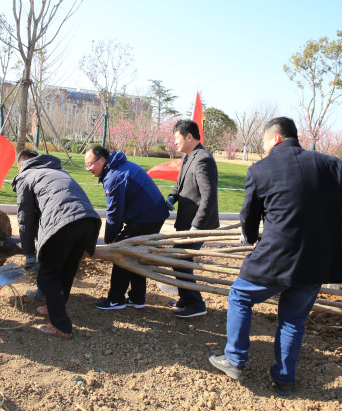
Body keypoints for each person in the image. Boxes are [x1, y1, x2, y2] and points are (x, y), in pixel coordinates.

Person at [208, 117, 342, 396]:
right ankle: (284, 379)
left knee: (240, 296)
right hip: (318, 261)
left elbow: (249, 216)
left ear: (276, 138)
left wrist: (251, 238)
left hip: (275, 257)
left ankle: (235, 359)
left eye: (264, 142)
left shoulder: (260, 169)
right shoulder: (331, 164)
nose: (263, 147)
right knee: (293, 319)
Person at [13, 150, 101, 339]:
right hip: (89, 221)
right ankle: (55, 307)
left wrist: (29, 253)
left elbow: (25, 218)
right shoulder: (58, 171)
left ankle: (61, 326)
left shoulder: (25, 176)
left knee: (47, 274)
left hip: (64, 223)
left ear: (21, 165)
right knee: (67, 269)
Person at [85, 145, 169, 310]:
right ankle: (137, 298)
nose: (88, 168)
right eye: (86, 165)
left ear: (101, 160)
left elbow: (114, 212)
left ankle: (116, 299)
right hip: (153, 214)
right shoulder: (118, 167)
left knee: (122, 252)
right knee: (137, 254)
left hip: (146, 217)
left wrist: (111, 239)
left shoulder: (114, 175)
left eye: (90, 164)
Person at [166, 119, 220, 318]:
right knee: (180, 258)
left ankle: (196, 304)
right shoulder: (188, 157)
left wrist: (197, 226)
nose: (175, 142)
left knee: (180, 258)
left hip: (197, 224)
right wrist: (172, 196)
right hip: (186, 222)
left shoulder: (203, 159)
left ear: (189, 137)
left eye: (177, 138)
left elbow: (209, 196)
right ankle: (186, 298)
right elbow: (180, 184)